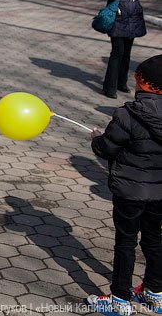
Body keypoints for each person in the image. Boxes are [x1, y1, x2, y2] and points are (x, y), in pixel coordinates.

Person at [86, 54, 162, 316]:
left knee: (126, 242)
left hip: (130, 192)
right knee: (154, 239)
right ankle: (155, 293)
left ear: (145, 83)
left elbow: (107, 149)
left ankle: (119, 299)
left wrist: (97, 139)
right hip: (159, 192)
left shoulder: (128, 114)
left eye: (138, 76)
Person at [100, 0, 155, 99]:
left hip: (132, 16)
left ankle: (121, 83)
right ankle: (109, 87)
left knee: (127, 54)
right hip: (117, 16)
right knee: (117, 52)